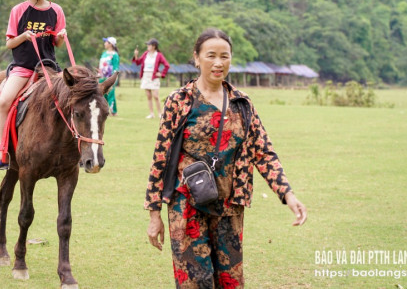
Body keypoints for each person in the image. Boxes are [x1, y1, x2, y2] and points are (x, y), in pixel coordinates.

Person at [145, 28, 307, 288]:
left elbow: (263, 152)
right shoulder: (179, 101)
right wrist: (154, 214)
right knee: (195, 282)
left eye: (225, 56)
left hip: (230, 208)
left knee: (230, 281)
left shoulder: (242, 104)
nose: (218, 63)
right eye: (211, 56)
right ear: (196, 58)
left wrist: (288, 195)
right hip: (186, 206)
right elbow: (160, 158)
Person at [0, 0, 67, 172]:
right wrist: (24, 36)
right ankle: (2, 153)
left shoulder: (56, 10)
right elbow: (9, 42)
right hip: (23, 68)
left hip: (49, 69)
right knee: (4, 102)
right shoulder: (18, 10)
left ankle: (67, 150)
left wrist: (62, 37)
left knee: (70, 100)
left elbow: (56, 43)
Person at [132, 38, 170, 119]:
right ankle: (151, 113)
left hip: (154, 76)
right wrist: (136, 55)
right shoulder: (146, 54)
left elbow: (167, 65)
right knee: (148, 96)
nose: (147, 46)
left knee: (155, 96)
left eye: (149, 45)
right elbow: (138, 62)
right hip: (146, 75)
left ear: (154, 46)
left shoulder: (159, 55)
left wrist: (161, 74)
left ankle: (160, 113)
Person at [98, 37, 120, 116]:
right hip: (102, 77)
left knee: (110, 93)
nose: (104, 44)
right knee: (102, 94)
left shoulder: (115, 55)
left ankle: (112, 111)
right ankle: (105, 110)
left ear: (110, 44)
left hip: (110, 78)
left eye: (106, 42)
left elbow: (116, 67)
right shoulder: (104, 53)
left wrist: (114, 77)